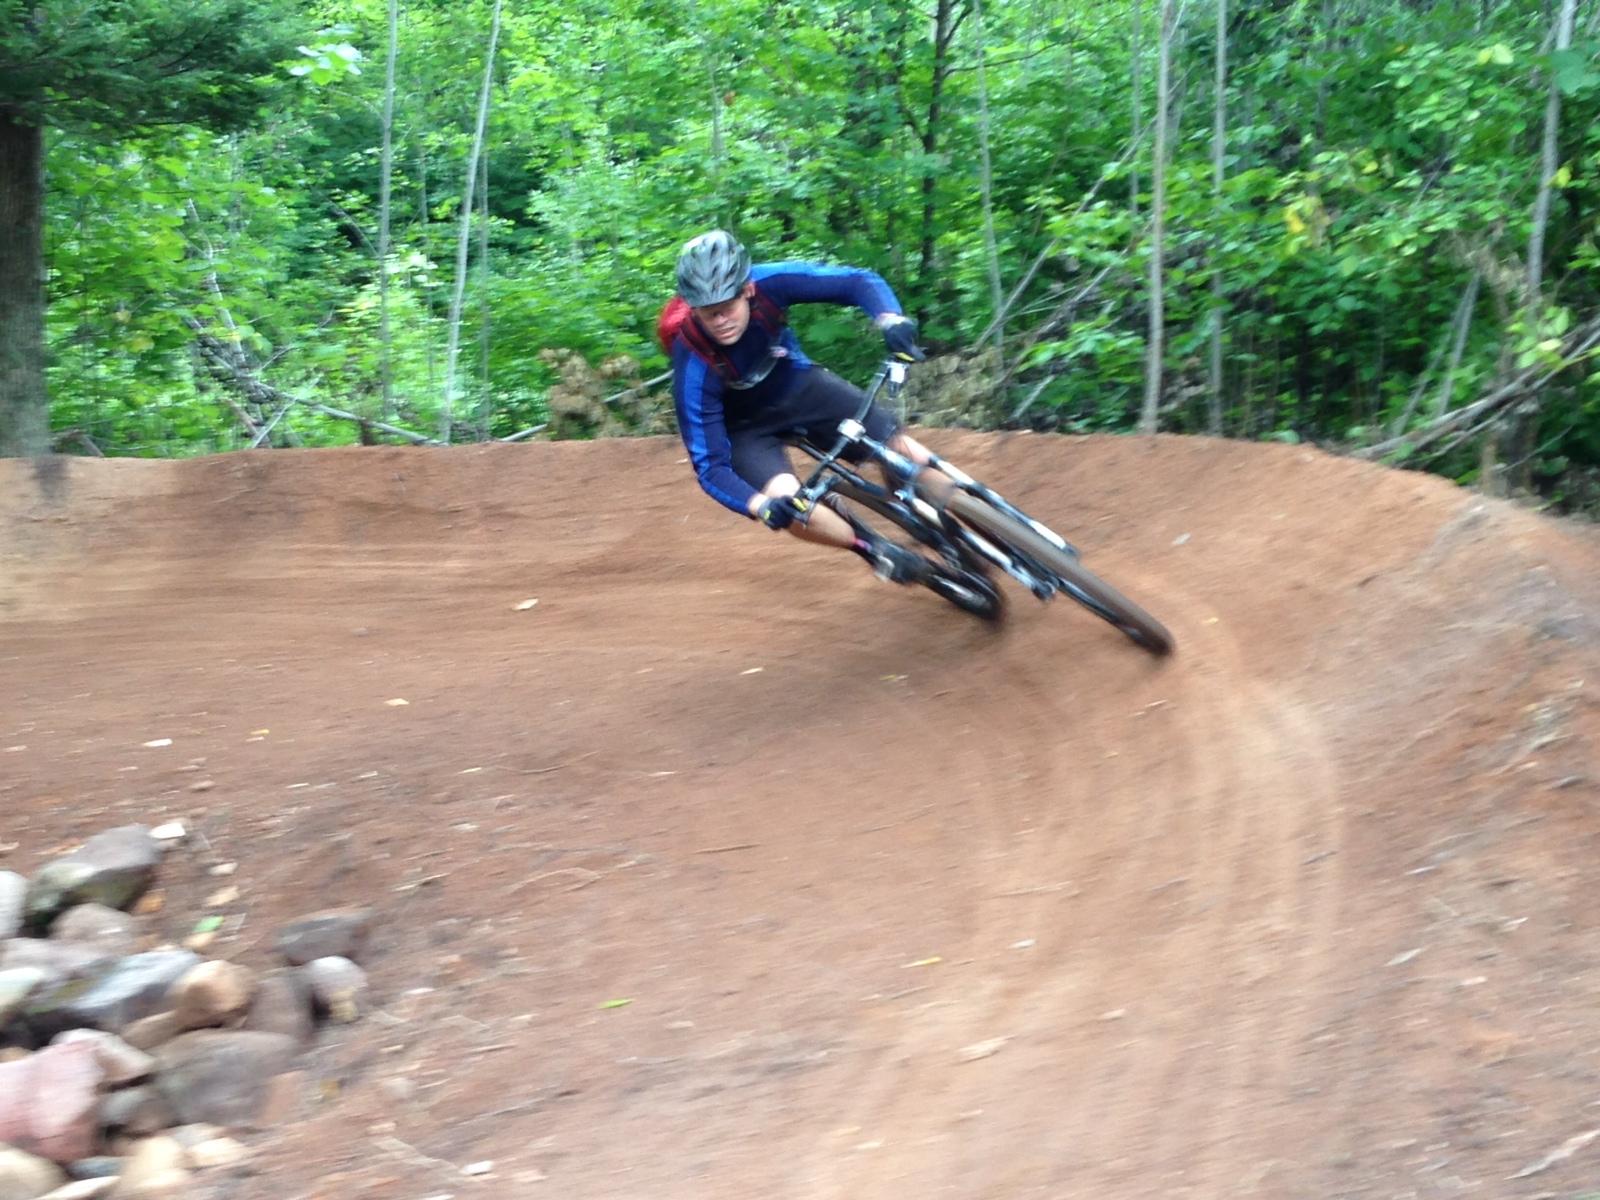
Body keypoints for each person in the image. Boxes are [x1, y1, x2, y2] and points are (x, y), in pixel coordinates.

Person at [666, 229, 952, 583]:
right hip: (746, 431)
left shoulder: (771, 283)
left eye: (727, 307)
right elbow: (710, 467)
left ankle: (966, 517)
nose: (721, 320)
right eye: (709, 314)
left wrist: (889, 319)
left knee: (900, 449)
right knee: (794, 505)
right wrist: (762, 507)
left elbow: (856, 282)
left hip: (798, 385)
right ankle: (870, 547)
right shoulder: (693, 364)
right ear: (693, 310)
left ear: (748, 289)